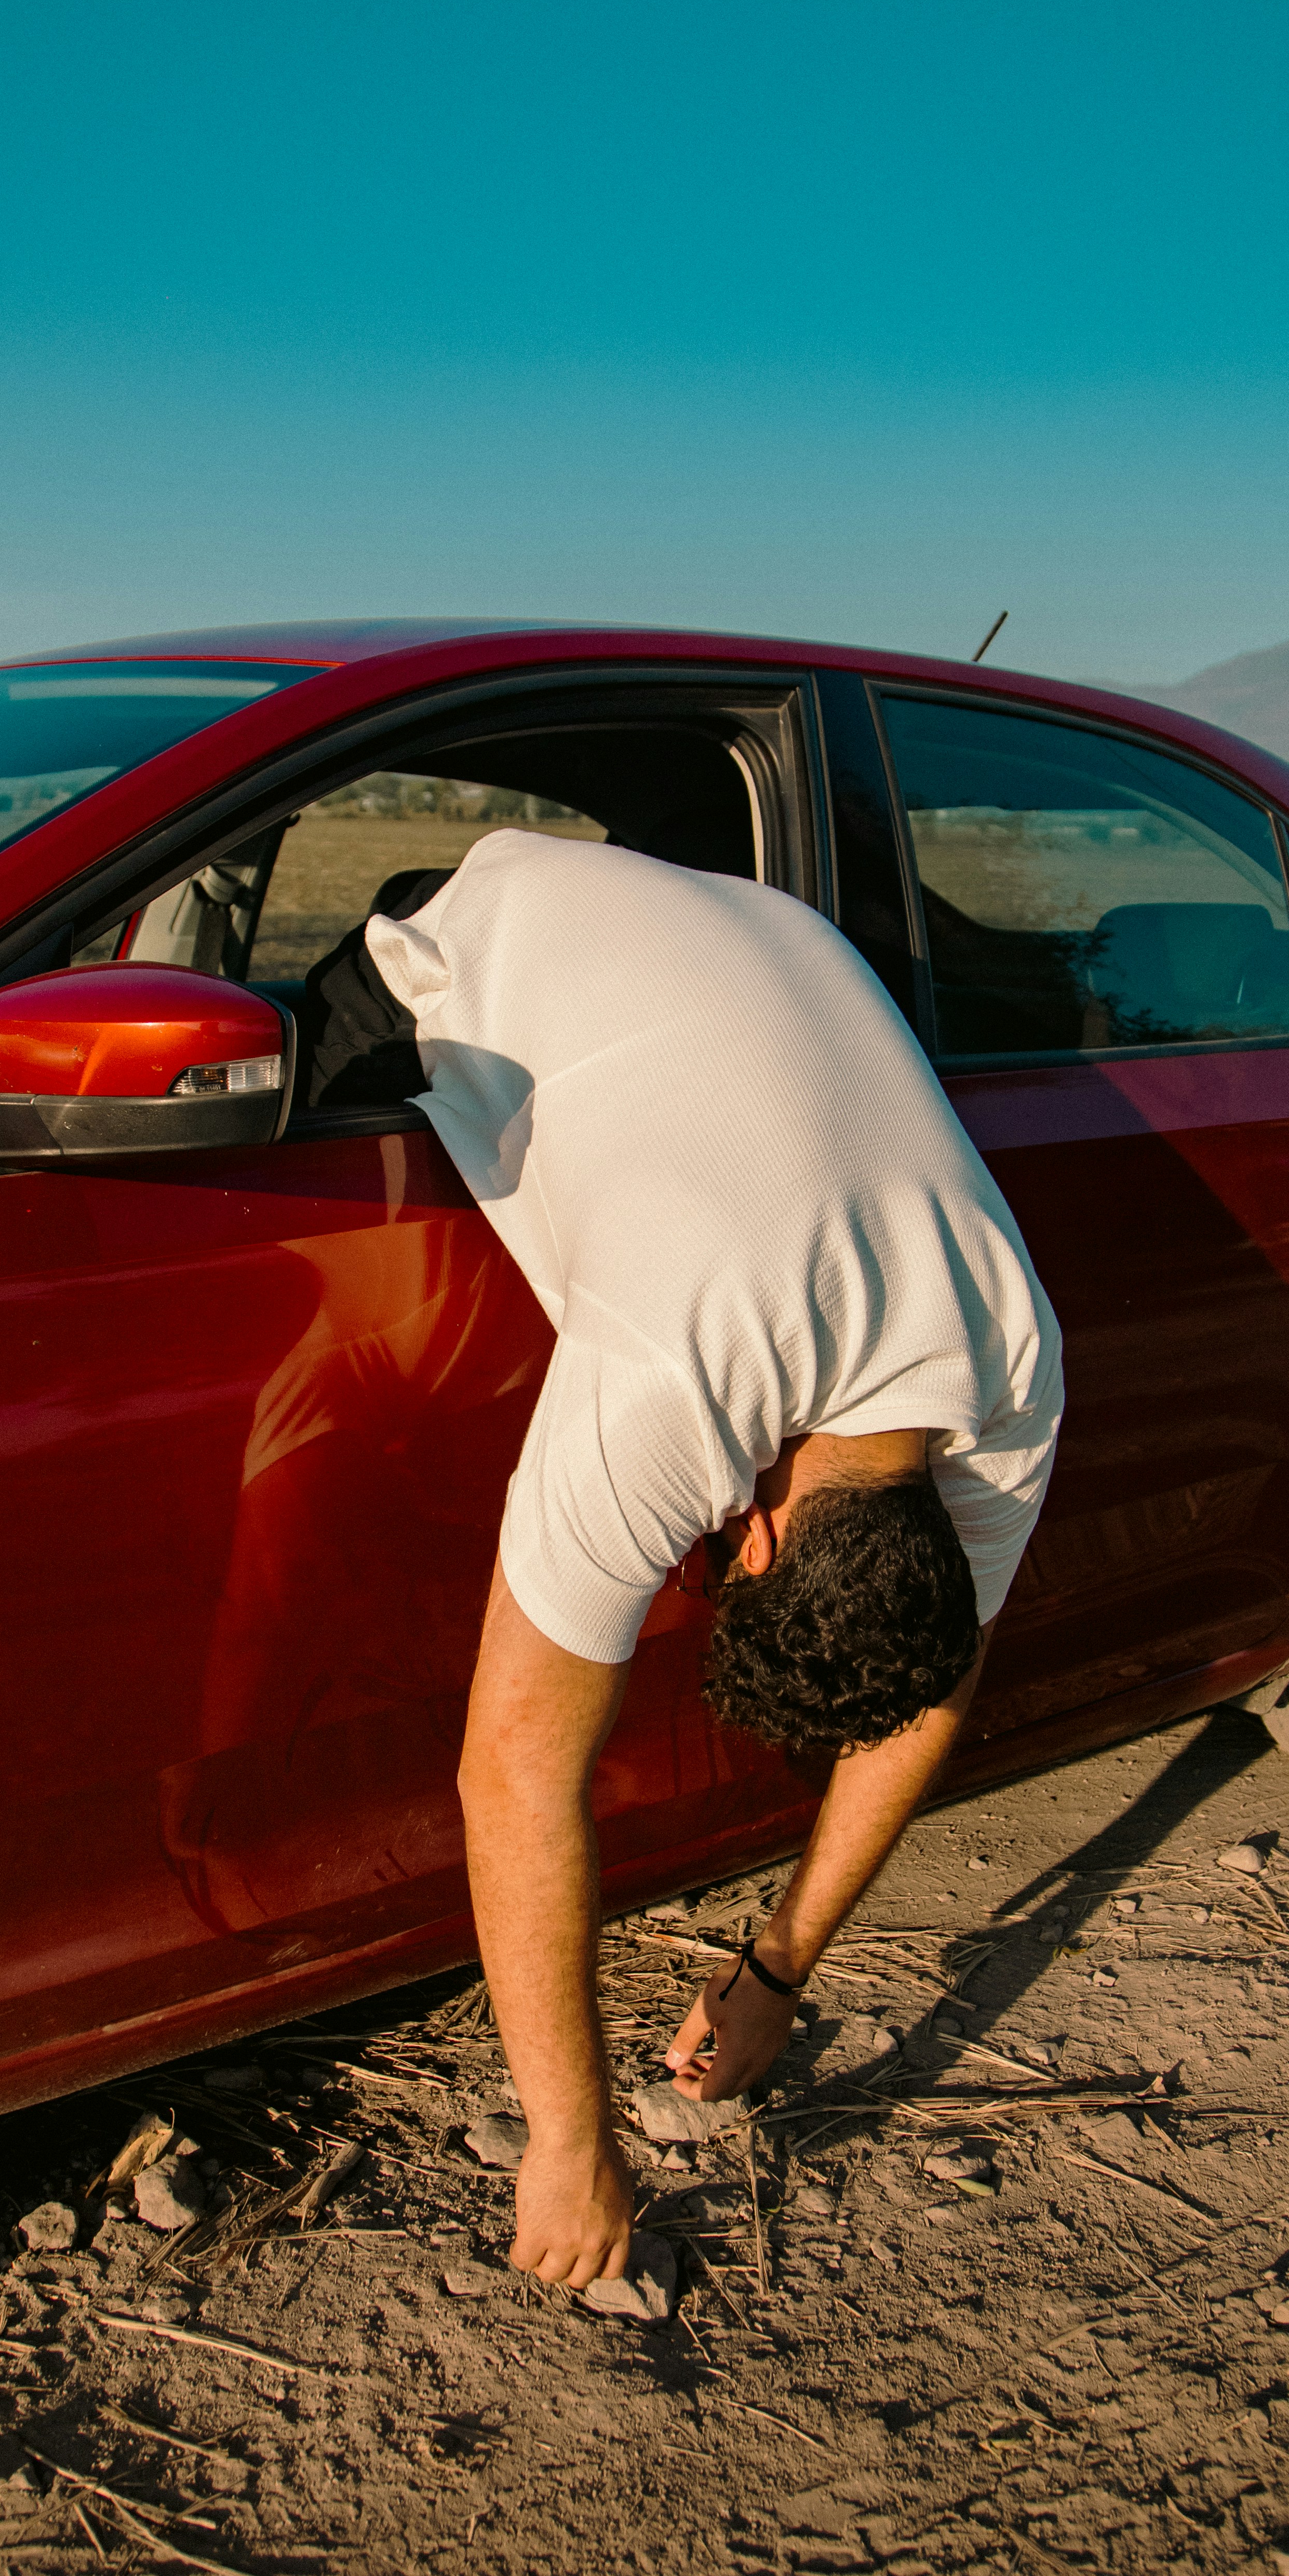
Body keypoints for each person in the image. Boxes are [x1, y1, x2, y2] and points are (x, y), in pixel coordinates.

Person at [299, 828, 1064, 2292]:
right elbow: (513, 1775)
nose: (706, 1544)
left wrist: (779, 1968)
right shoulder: (679, 1364)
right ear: (764, 1522)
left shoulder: (1008, 1362)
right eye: (720, 1559)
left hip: (744, 922)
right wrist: (571, 2141)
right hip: (486, 924)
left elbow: (934, 1689)